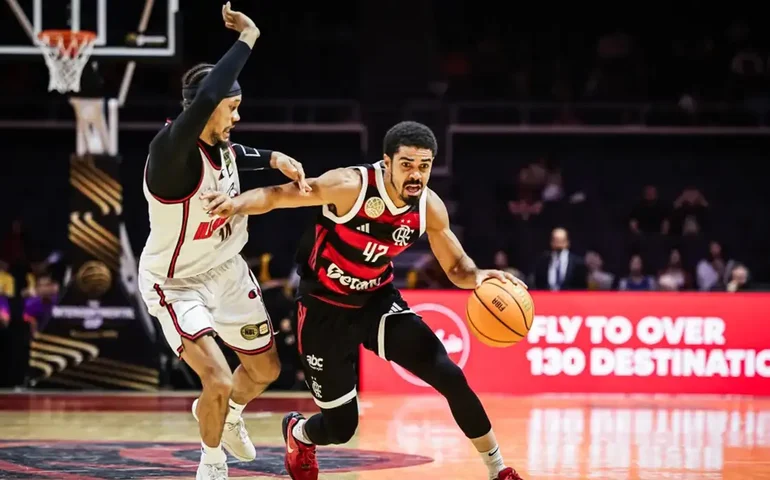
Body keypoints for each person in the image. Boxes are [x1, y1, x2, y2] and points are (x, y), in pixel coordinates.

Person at [202, 121, 526, 480]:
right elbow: (279, 195)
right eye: (407, 164)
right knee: (341, 428)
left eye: (424, 166)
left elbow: (457, 266)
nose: (416, 174)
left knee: (449, 375)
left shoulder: (429, 207)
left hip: (376, 301)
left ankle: (498, 469)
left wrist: (478, 276)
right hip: (324, 307)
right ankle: (298, 433)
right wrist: (235, 204)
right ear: (386, 162)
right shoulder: (349, 185)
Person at [137, 4, 311, 480]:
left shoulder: (221, 146)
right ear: (205, 106)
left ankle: (227, 413)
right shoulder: (170, 152)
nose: (238, 113)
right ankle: (212, 463)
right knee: (214, 376)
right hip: (176, 283)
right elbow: (211, 93)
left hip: (227, 271)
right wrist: (250, 35)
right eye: (231, 106)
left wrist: (275, 158)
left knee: (266, 371)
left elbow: (238, 156)